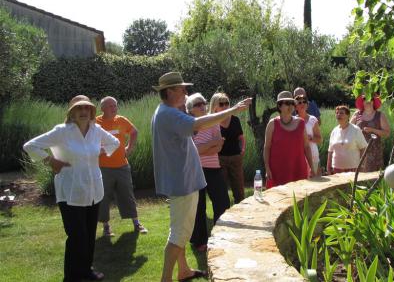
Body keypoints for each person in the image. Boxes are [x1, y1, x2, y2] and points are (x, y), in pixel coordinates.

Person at [151, 72, 251, 282]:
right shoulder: (169, 114)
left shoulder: (165, 111)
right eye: (181, 89)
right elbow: (199, 124)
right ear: (169, 92)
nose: (186, 92)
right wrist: (233, 110)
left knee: (178, 230)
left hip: (180, 181)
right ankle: (165, 279)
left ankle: (184, 270)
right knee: (179, 234)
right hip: (183, 184)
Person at [23, 95, 120, 282]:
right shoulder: (61, 131)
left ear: (92, 112)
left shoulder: (96, 130)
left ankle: (86, 271)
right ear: (72, 112)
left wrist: (98, 152)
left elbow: (114, 143)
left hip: (93, 190)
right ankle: (72, 277)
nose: (83, 112)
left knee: (89, 235)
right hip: (71, 192)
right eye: (79, 109)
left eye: (87, 108)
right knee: (76, 236)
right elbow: (30, 146)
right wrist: (51, 160)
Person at [95, 96, 147, 237]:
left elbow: (134, 132)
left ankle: (136, 223)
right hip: (102, 167)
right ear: (102, 109)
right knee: (104, 197)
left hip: (122, 166)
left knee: (127, 195)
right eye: (110, 106)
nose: (114, 108)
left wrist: (129, 148)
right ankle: (106, 227)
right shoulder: (96, 123)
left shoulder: (121, 120)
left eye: (115, 105)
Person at [186, 93, 230, 252]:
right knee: (198, 207)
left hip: (213, 169)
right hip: (195, 170)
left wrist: (205, 148)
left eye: (203, 103)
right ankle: (199, 241)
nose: (203, 106)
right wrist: (211, 143)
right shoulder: (189, 125)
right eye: (198, 104)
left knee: (223, 203)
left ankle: (222, 235)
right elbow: (192, 151)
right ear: (190, 109)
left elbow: (219, 148)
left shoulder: (213, 122)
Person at [264, 91, 313, 189]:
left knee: (299, 201)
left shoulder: (301, 123)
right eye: (286, 103)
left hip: (298, 168)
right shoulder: (272, 124)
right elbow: (267, 147)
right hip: (278, 170)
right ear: (279, 106)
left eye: (292, 103)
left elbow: (307, 147)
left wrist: (312, 168)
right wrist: (267, 168)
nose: (290, 106)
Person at [210, 92, 246, 204]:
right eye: (221, 104)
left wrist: (242, 150)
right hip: (219, 159)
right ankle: (223, 216)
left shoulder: (235, 120)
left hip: (236, 158)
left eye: (227, 103)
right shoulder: (210, 122)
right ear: (214, 107)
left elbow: (241, 137)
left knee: (239, 191)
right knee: (221, 190)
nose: (225, 106)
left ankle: (241, 216)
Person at [350, 94, 390, 172]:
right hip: (358, 150)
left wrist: (372, 130)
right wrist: (354, 123)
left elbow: (387, 133)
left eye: (370, 99)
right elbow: (349, 129)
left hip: (375, 152)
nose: (368, 101)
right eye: (365, 99)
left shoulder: (380, 115)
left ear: (373, 101)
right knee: (358, 175)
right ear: (363, 102)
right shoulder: (357, 114)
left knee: (374, 177)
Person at [327, 105, 368, 174]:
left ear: (348, 115)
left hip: (353, 169)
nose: (338, 115)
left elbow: (363, 149)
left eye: (341, 113)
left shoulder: (356, 130)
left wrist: (362, 166)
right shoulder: (334, 131)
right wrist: (328, 167)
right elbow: (330, 151)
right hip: (336, 169)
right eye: (337, 113)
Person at [294, 94, 323, 176]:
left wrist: (309, 138)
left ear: (307, 105)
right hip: (298, 156)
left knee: (315, 182)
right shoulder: (293, 121)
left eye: (304, 102)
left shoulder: (313, 119)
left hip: (313, 155)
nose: (302, 104)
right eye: (299, 103)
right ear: (295, 107)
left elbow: (320, 139)